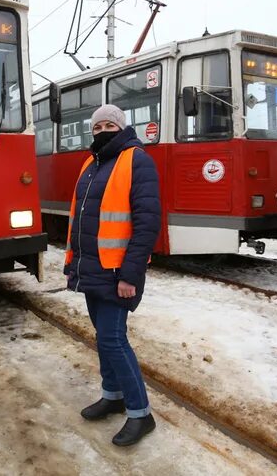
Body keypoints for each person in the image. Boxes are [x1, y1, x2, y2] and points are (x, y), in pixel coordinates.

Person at [63, 104, 161, 447]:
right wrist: (72, 262)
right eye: (97, 125)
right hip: (92, 268)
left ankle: (140, 413)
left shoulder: (137, 161)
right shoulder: (92, 164)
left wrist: (130, 275)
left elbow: (147, 225)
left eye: (110, 124)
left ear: (121, 127)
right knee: (103, 339)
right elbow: (81, 221)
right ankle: (113, 395)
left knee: (113, 340)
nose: (102, 129)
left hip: (119, 272)